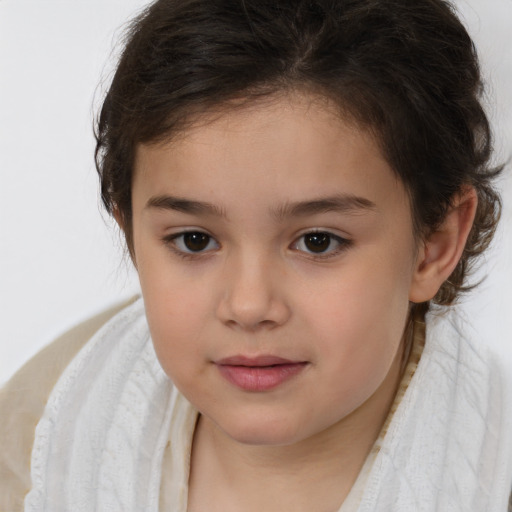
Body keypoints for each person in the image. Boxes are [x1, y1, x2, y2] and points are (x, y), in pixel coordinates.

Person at [1, 0, 511, 510]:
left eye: (318, 241)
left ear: (434, 245)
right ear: (132, 233)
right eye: (194, 240)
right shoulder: (45, 430)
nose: (248, 306)